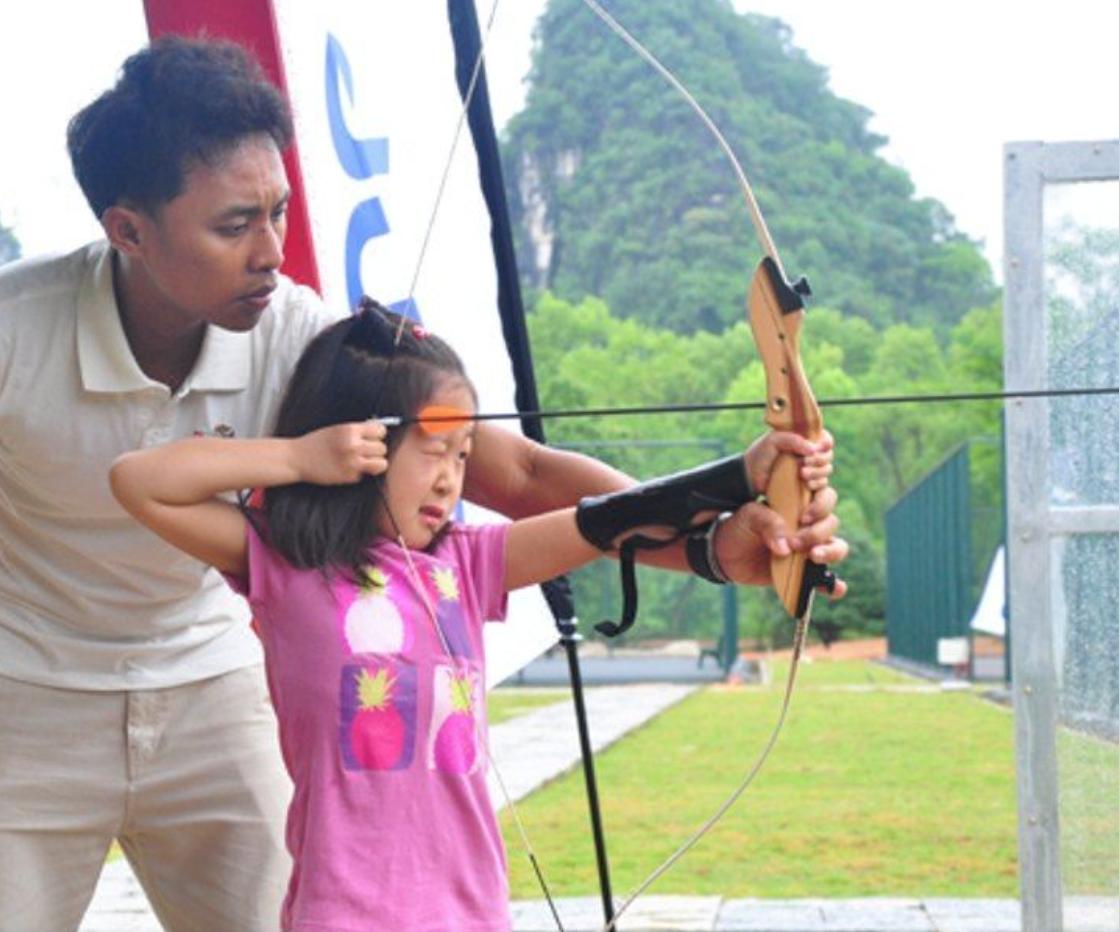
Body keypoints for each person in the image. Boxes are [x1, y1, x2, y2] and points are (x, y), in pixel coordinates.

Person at [0, 35, 846, 932]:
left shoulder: (298, 331)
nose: (273, 252)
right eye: (235, 224)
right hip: (26, 685)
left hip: (216, 676)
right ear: (130, 229)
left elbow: (524, 478)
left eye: (280, 211)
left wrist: (723, 538)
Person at [107, 304, 833, 931]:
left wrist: (740, 476)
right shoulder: (288, 567)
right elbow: (138, 483)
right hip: (342, 914)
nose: (453, 475)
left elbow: (602, 523)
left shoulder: (467, 563)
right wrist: (298, 457)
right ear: (361, 444)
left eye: (462, 452)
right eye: (433, 448)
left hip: (471, 911)